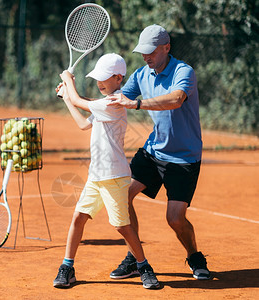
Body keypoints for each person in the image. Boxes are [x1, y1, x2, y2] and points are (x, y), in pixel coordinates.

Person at [106, 25, 211, 280]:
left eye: (151, 51)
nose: (146, 56)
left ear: (166, 48)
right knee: (122, 196)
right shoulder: (143, 74)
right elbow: (115, 99)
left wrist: (138, 103)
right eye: (143, 52)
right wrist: (72, 95)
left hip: (183, 157)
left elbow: (175, 99)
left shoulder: (183, 71)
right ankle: (135, 257)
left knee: (175, 219)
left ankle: (194, 256)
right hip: (153, 152)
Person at [53, 53, 160, 289]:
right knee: (78, 218)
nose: (99, 82)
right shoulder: (104, 104)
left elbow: (81, 101)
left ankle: (143, 267)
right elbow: (83, 124)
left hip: (114, 177)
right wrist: (66, 98)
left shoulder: (115, 101)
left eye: (104, 78)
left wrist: (68, 80)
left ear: (119, 78)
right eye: (97, 78)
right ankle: (67, 267)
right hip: (96, 176)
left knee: (122, 226)